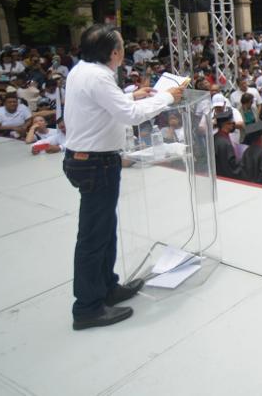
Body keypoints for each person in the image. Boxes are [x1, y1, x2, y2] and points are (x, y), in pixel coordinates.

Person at [62, 24, 183, 330]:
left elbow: (109, 106)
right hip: (95, 164)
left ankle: (107, 288)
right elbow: (129, 116)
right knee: (93, 237)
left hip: (91, 161)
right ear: (113, 52)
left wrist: (132, 93)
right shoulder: (100, 76)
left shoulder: (83, 71)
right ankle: (87, 307)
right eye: (121, 47)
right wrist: (167, 97)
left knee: (104, 229)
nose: (123, 51)